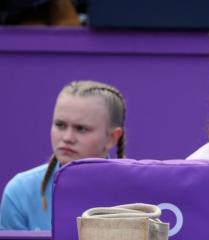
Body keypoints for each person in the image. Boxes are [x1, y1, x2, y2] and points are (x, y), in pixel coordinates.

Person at [0, 80, 125, 231]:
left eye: (81, 129)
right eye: (60, 125)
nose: (67, 137)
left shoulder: (134, 190)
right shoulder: (20, 191)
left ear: (112, 138)